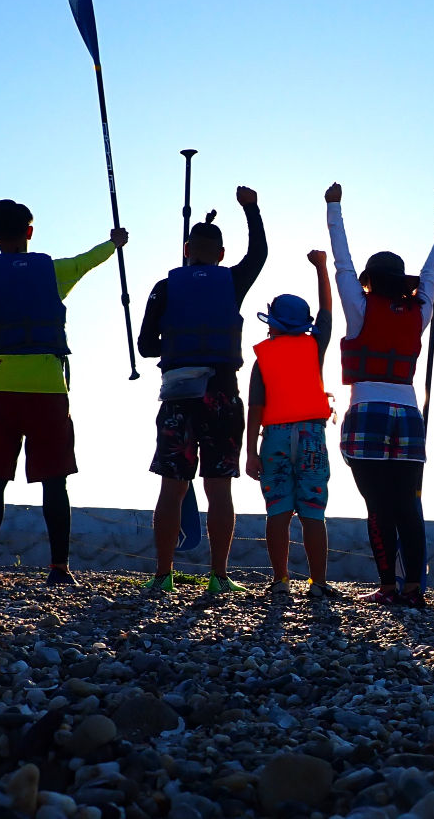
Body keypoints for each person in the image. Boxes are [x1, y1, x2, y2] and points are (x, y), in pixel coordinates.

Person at [0, 198, 127, 586]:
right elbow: (88, 260)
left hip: (2, 387)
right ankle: (59, 569)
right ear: (30, 233)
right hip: (51, 389)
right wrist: (115, 243)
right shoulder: (53, 271)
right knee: (55, 481)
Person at [325, 182, 434, 609]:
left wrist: (334, 207)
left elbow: (342, 264)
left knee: (377, 504)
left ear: (370, 281)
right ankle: (414, 588)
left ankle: (388, 586)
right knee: (409, 504)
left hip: (367, 412)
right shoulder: (419, 312)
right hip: (408, 414)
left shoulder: (360, 307)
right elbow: (432, 273)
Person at [138, 187, 267, 593]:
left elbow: (145, 346)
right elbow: (259, 254)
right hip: (223, 395)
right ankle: (220, 577)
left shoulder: (164, 286)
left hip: (178, 396)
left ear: (186, 248)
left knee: (172, 489)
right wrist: (251, 208)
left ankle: (162, 576)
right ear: (221, 254)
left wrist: (176, 345)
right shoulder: (231, 280)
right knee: (219, 489)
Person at [244, 250, 340, 598]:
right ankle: (318, 582)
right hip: (312, 435)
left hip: (275, 439)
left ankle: (281, 580)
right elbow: (327, 311)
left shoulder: (263, 359)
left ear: (273, 322)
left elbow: (255, 408)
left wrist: (250, 452)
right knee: (313, 510)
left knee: (279, 510)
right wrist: (321, 268)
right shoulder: (315, 345)